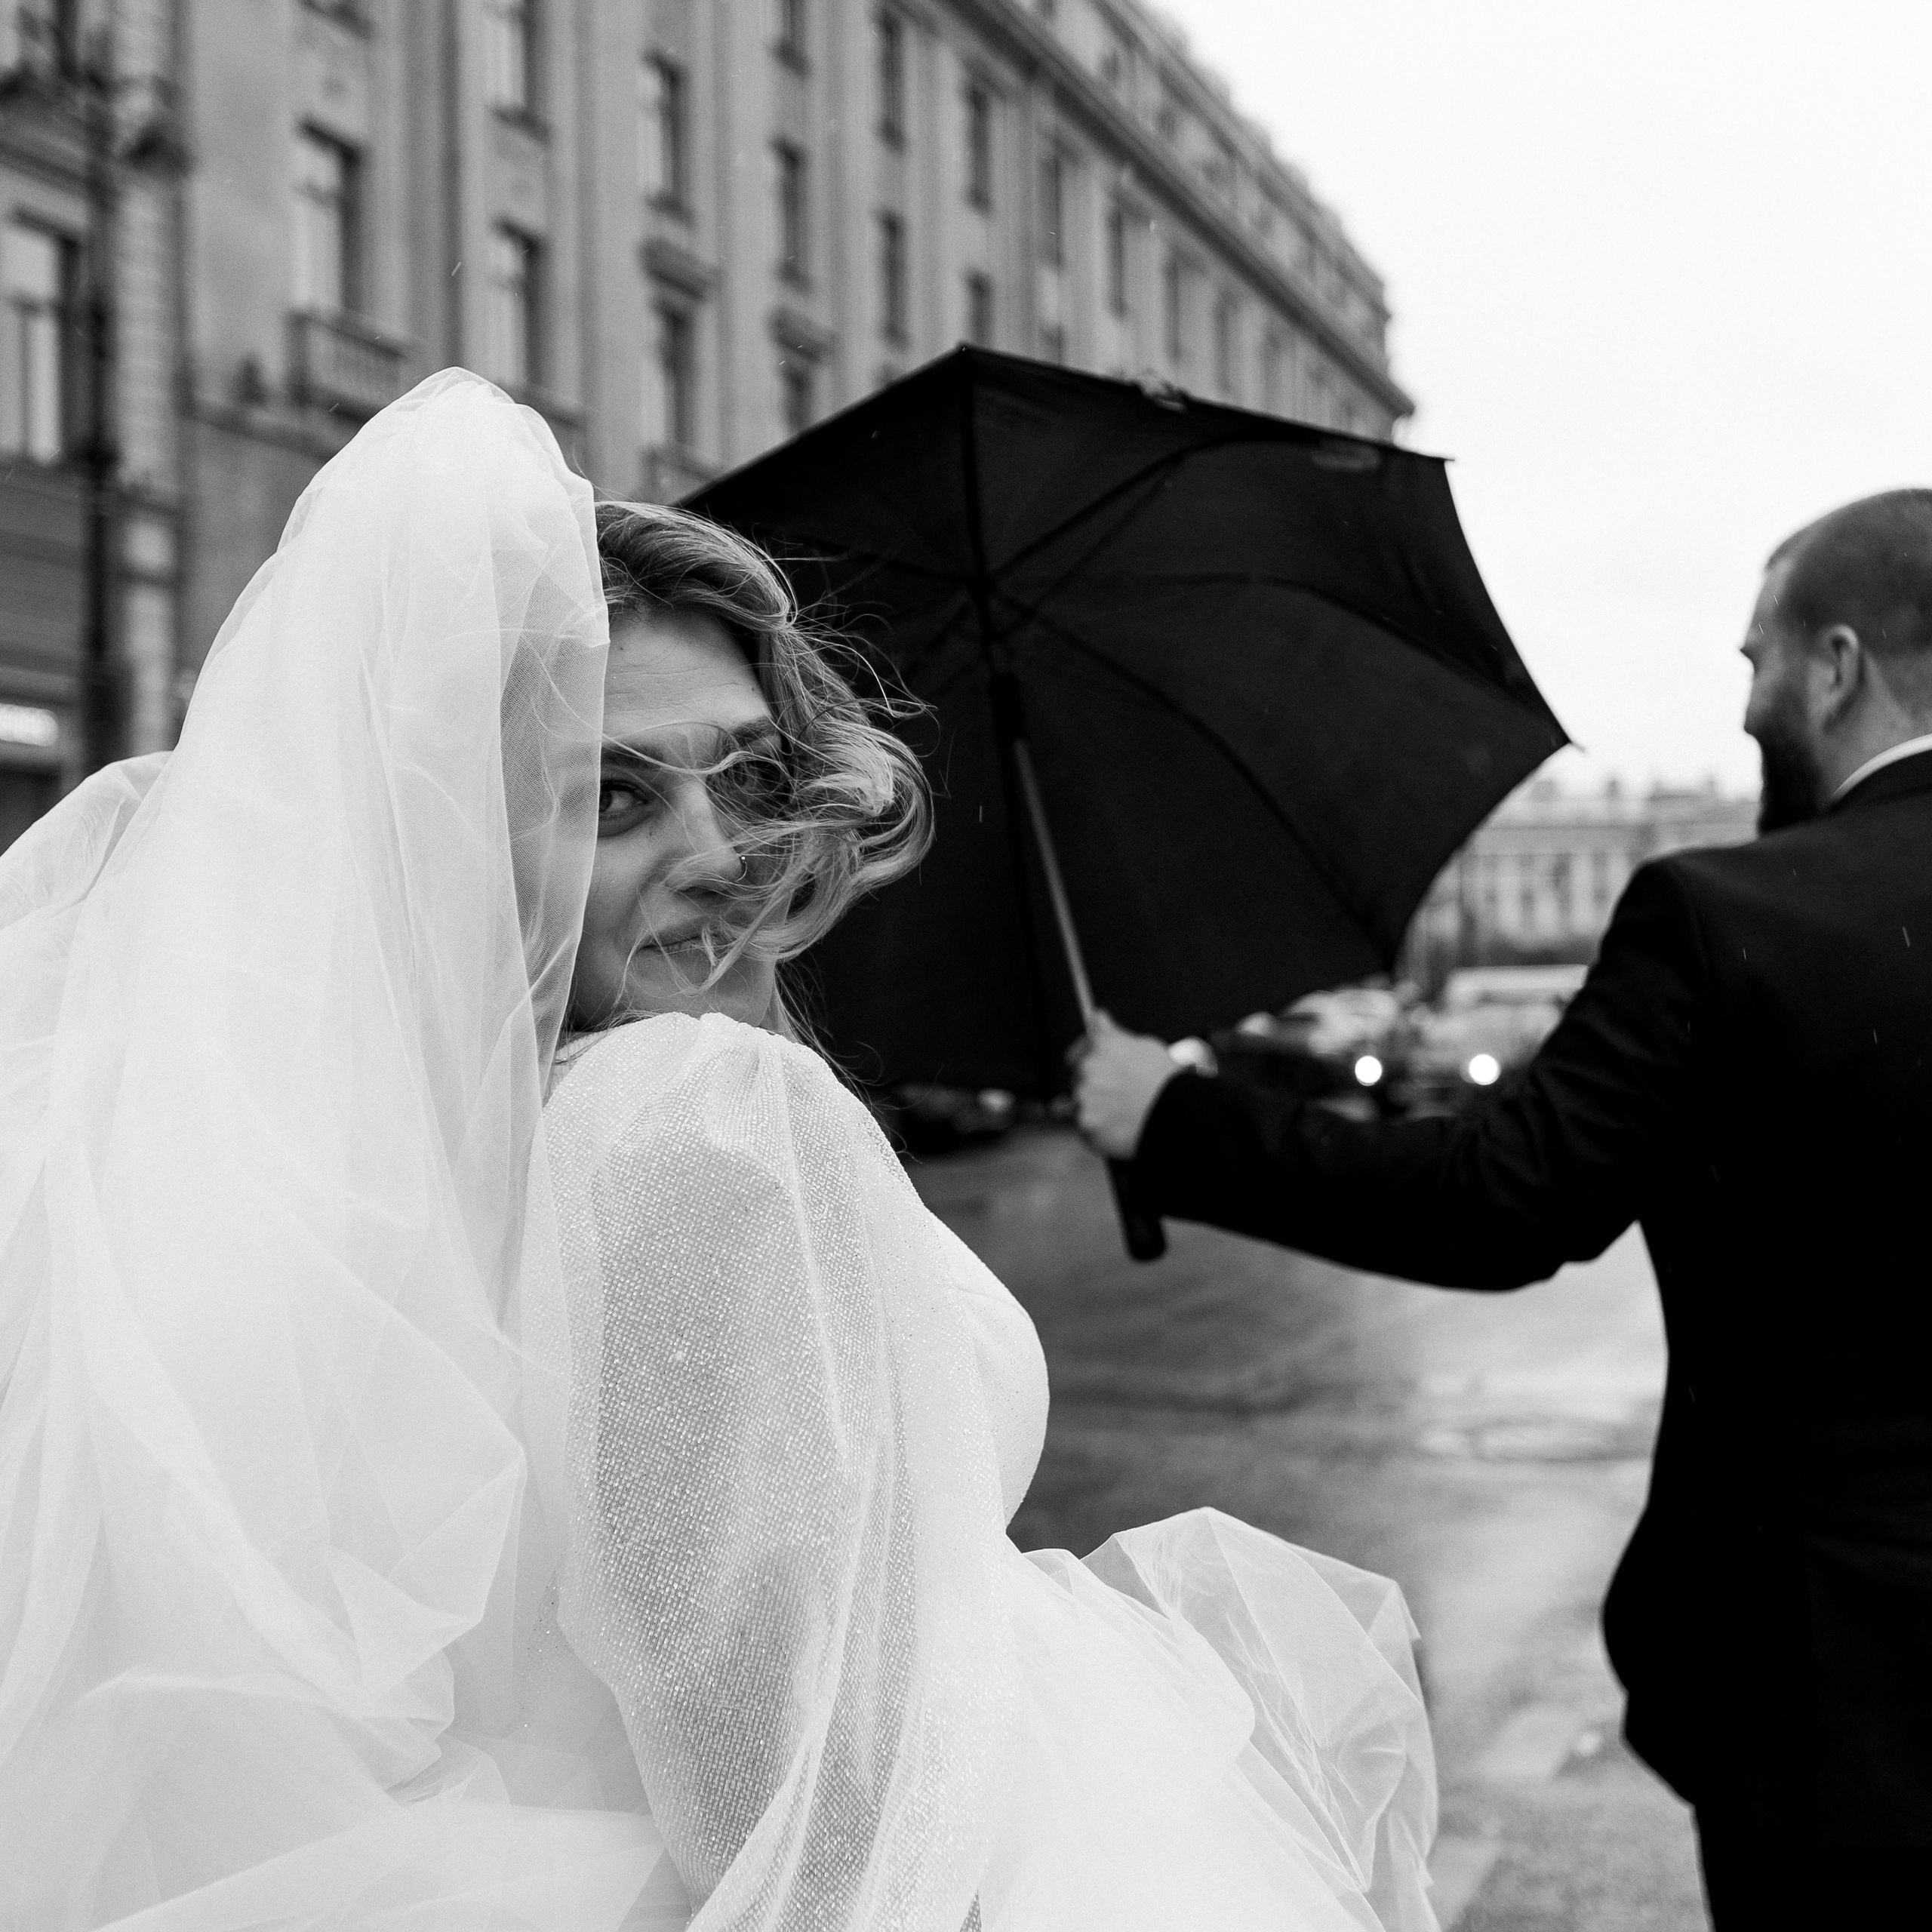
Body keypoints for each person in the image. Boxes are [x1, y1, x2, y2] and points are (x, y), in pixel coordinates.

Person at [0, 372, 1438, 1930]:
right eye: (611, 795)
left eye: (749, 774)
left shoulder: (346, 1167)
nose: (717, 850)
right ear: (452, 835)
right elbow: (823, 1827)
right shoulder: (692, 1126)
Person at [1073, 488, 1932, 1924]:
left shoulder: (1734, 917)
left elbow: (1497, 1198)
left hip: (1837, 1686)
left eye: (1754, 663)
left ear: (1837, 665)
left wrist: (1173, 1117)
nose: (1743, 711)